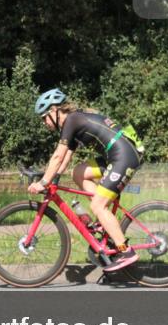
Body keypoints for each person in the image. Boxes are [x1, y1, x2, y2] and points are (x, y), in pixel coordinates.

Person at [27, 88, 144, 271]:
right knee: (79, 172)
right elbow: (65, 158)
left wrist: (43, 183)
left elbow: (57, 156)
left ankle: (126, 251)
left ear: (53, 111)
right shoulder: (74, 122)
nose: (44, 123)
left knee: (98, 205)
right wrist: (53, 178)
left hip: (124, 156)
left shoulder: (72, 120)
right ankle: (102, 219)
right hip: (117, 154)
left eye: (44, 118)